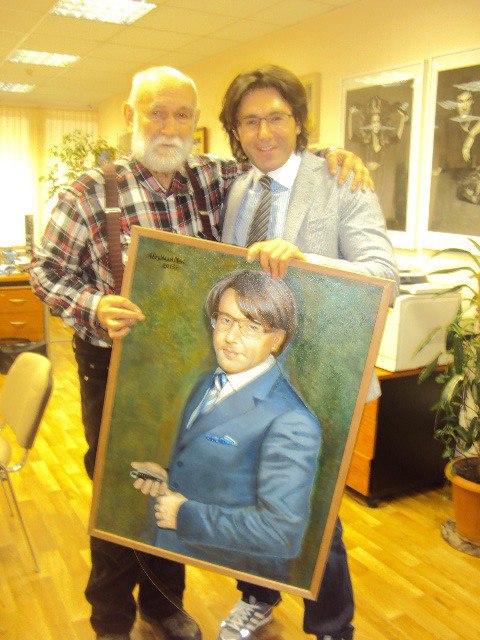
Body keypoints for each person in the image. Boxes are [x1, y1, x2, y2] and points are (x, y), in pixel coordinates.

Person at [29, 65, 370, 640]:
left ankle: (163, 606)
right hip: (114, 370)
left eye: (182, 114)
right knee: (118, 497)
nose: (169, 126)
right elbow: (45, 272)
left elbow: (273, 150)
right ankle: (109, 621)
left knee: (173, 475)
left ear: (196, 122)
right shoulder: (87, 193)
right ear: (130, 116)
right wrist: (92, 305)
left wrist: (334, 157)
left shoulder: (210, 178)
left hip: (188, 365)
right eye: (156, 112)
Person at [216, 65, 399, 640]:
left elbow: (384, 276)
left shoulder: (341, 180)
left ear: (298, 121)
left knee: (316, 510)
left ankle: (331, 627)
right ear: (235, 132)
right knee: (248, 491)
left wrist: (306, 263)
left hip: (320, 380)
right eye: (249, 122)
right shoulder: (240, 190)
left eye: (276, 117)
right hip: (251, 377)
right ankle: (257, 596)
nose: (263, 132)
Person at [131, 270, 321, 582]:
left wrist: (186, 516)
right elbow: (221, 470)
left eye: (251, 327)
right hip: (166, 547)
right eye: (225, 320)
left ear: (277, 339)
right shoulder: (209, 382)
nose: (230, 338)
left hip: (220, 570)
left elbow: (282, 533)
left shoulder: (291, 420)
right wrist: (168, 477)